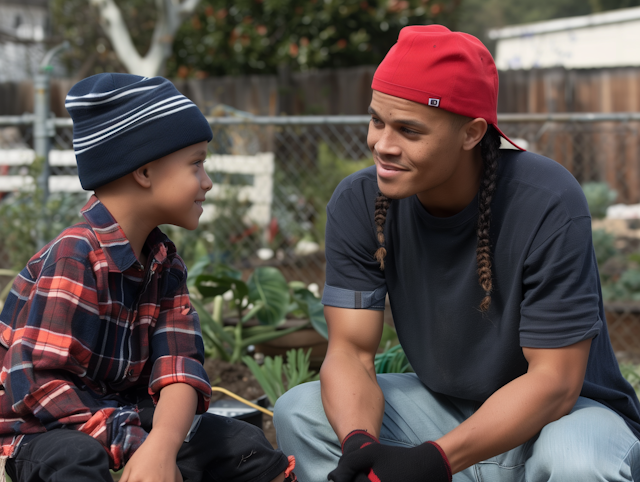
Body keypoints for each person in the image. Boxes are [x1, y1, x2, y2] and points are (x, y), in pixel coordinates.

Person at [273, 25, 640, 482]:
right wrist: (360, 445)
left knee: (577, 460)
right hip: (445, 414)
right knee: (300, 412)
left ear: (471, 133)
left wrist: (433, 461)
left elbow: (556, 384)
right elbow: (350, 352)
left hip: (566, 420)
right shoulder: (359, 202)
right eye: (377, 121)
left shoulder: (545, 201)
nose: (383, 145)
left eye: (409, 129)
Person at [0, 73, 296, 482]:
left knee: (245, 446)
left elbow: (179, 369)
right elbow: (37, 386)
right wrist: (137, 445)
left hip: (129, 422)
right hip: (41, 432)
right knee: (77, 459)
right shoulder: (75, 254)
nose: (207, 183)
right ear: (144, 172)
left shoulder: (165, 264)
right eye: (197, 164)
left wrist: (162, 446)